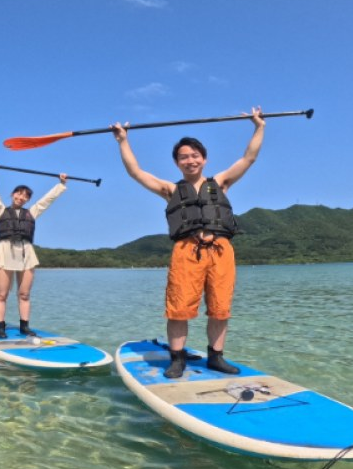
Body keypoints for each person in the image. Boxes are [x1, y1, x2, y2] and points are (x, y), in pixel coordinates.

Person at [111, 107, 266, 379]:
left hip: (220, 250)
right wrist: (123, 140)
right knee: (179, 308)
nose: (190, 161)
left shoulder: (220, 182)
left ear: (204, 159)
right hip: (186, 252)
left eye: (194, 156)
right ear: (177, 163)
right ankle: (177, 360)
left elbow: (249, 157)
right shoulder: (171, 190)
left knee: (220, 308)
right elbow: (135, 172)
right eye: (184, 157)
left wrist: (259, 127)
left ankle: (216, 358)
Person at [0, 163, 67, 339]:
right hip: (5, 251)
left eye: (25, 196)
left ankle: (24, 327)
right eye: (19, 194)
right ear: (13, 195)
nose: (21, 198)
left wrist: (61, 185)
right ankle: (0, 327)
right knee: (2, 294)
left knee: (24, 294)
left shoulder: (32, 213)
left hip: (26, 253)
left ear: (28, 200)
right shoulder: (0, 210)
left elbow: (47, 201)